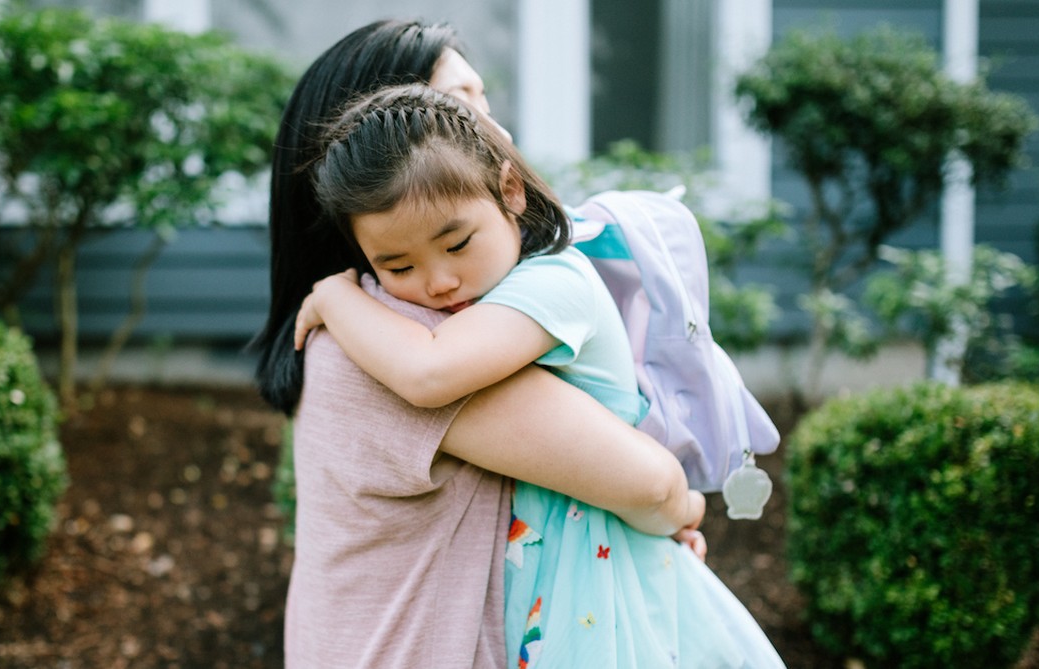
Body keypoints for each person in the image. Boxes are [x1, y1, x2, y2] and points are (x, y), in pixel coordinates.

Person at [252, 21, 717, 668]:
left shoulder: (374, 316)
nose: (497, 134)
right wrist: (684, 512)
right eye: (457, 108)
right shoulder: (402, 337)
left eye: (484, 105)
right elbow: (649, 481)